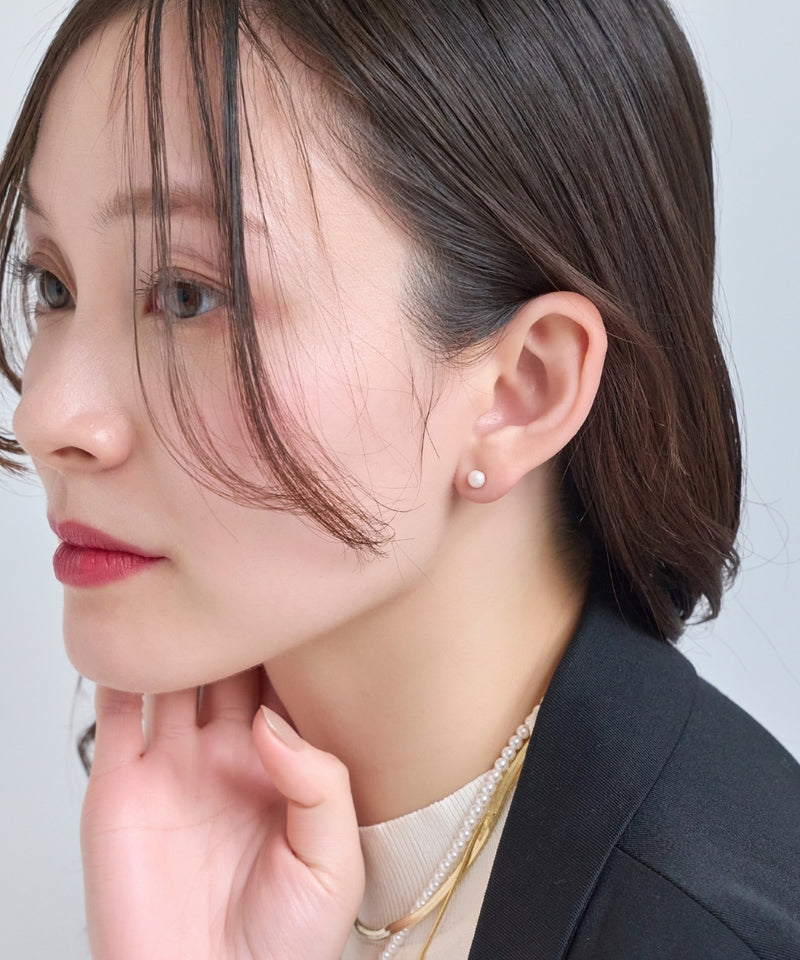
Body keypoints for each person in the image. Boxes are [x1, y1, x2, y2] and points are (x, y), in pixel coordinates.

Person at [0, 0, 798, 958]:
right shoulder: (203, 852)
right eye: (53, 285)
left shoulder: (710, 930)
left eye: (188, 295)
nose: (48, 415)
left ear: (522, 389)